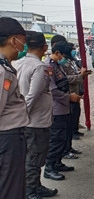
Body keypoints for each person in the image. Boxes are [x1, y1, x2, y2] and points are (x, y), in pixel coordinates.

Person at [13, 31, 58, 199]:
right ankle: (31, 190)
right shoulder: (40, 67)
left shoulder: (18, 63)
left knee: (31, 156)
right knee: (35, 157)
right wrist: (24, 115)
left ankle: (35, 186)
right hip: (36, 121)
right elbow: (33, 95)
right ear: (44, 47)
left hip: (26, 119)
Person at [0, 16, 30, 199]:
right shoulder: (3, 71)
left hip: (9, 137)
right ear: (13, 40)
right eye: (22, 42)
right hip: (7, 138)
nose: (23, 47)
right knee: (11, 188)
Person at [44, 41, 81, 181]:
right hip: (57, 108)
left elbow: (65, 81)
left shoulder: (58, 66)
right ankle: (49, 168)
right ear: (57, 52)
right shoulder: (49, 67)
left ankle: (57, 163)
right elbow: (53, 91)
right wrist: (69, 97)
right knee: (56, 139)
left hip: (65, 107)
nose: (63, 58)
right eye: (63, 55)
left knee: (63, 138)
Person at [60, 42, 89, 160]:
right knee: (67, 125)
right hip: (68, 95)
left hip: (75, 94)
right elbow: (65, 79)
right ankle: (65, 150)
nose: (73, 51)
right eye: (71, 49)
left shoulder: (71, 61)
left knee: (75, 116)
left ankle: (69, 146)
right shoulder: (61, 63)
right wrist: (80, 76)